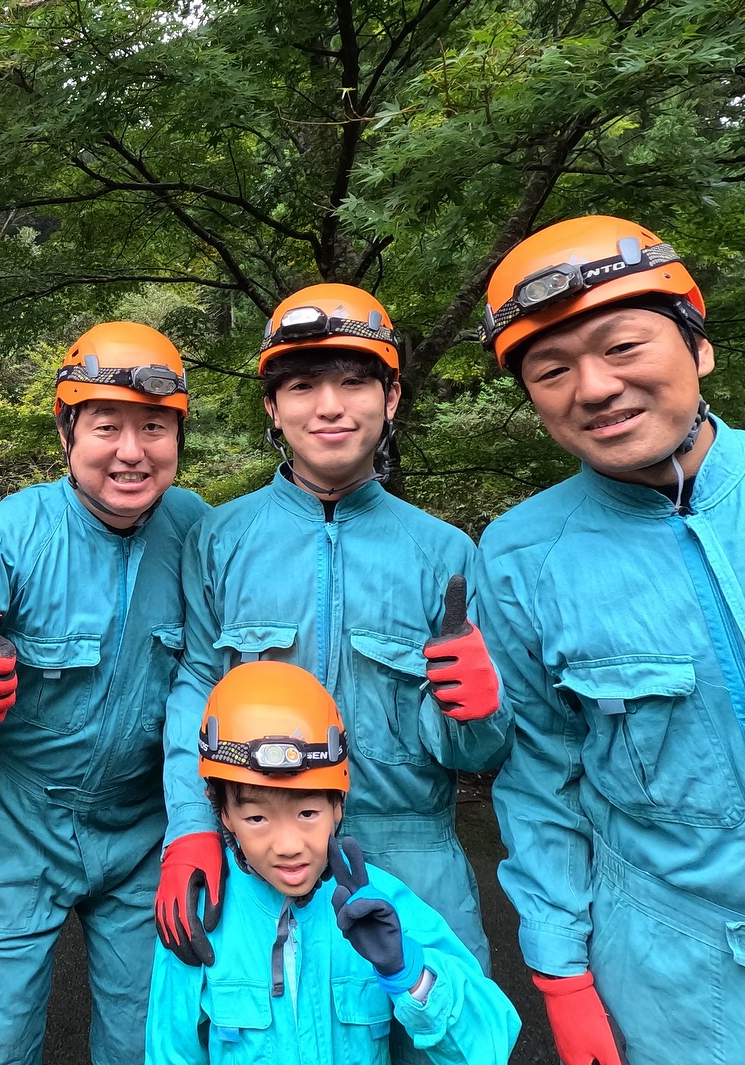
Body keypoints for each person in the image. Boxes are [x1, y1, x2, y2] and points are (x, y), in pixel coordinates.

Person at [477, 214, 745, 1065]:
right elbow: (539, 784)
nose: (593, 387)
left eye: (624, 345)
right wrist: (560, 978)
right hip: (682, 989)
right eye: (552, 370)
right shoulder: (522, 556)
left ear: (697, 344)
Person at [0, 321, 210, 1065]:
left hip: (146, 823)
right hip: (20, 824)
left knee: (147, 1038)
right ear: (66, 431)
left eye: (154, 426)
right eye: (107, 425)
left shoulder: (197, 532)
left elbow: (207, 681)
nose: (131, 450)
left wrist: (193, 826)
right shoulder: (14, 532)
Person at [158, 284, 511, 993]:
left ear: (391, 397)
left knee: (441, 1030)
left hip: (412, 856)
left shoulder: (444, 552)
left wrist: (478, 714)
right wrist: (192, 824)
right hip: (258, 850)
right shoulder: (219, 538)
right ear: (272, 406)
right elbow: (196, 686)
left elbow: (479, 751)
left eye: (354, 382)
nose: (329, 405)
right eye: (302, 385)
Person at [146, 660, 519, 1064]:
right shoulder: (200, 921)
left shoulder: (381, 905)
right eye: (257, 818)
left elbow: (488, 1046)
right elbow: (170, 1052)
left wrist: (412, 975)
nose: (288, 845)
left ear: (339, 803)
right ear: (222, 813)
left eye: (307, 813)